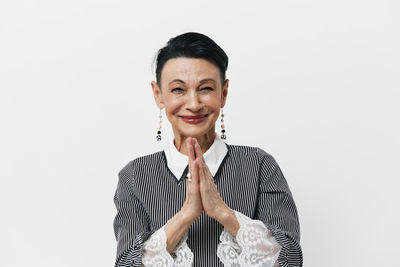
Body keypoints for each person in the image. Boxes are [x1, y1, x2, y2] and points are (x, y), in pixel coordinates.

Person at [113, 32, 303, 267]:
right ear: (158, 95)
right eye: (178, 90)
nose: (193, 104)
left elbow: (290, 259)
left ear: (223, 93)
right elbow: (127, 264)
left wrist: (223, 212)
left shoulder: (259, 165)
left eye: (205, 88)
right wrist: (186, 215)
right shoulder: (135, 175)